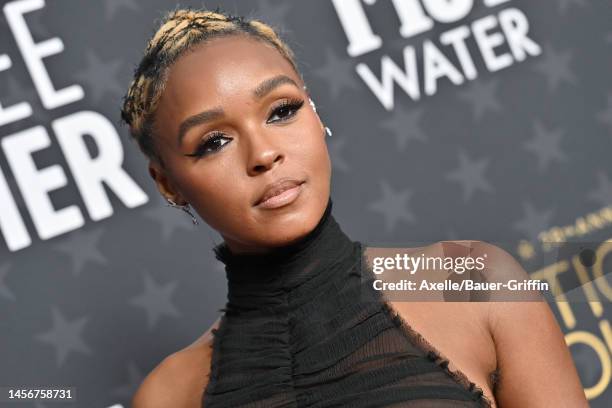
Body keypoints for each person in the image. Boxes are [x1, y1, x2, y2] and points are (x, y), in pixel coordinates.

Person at [119, 6, 588, 408]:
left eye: (282, 110)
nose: (263, 154)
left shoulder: (470, 281)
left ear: (316, 113)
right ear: (167, 184)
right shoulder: (168, 394)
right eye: (215, 141)